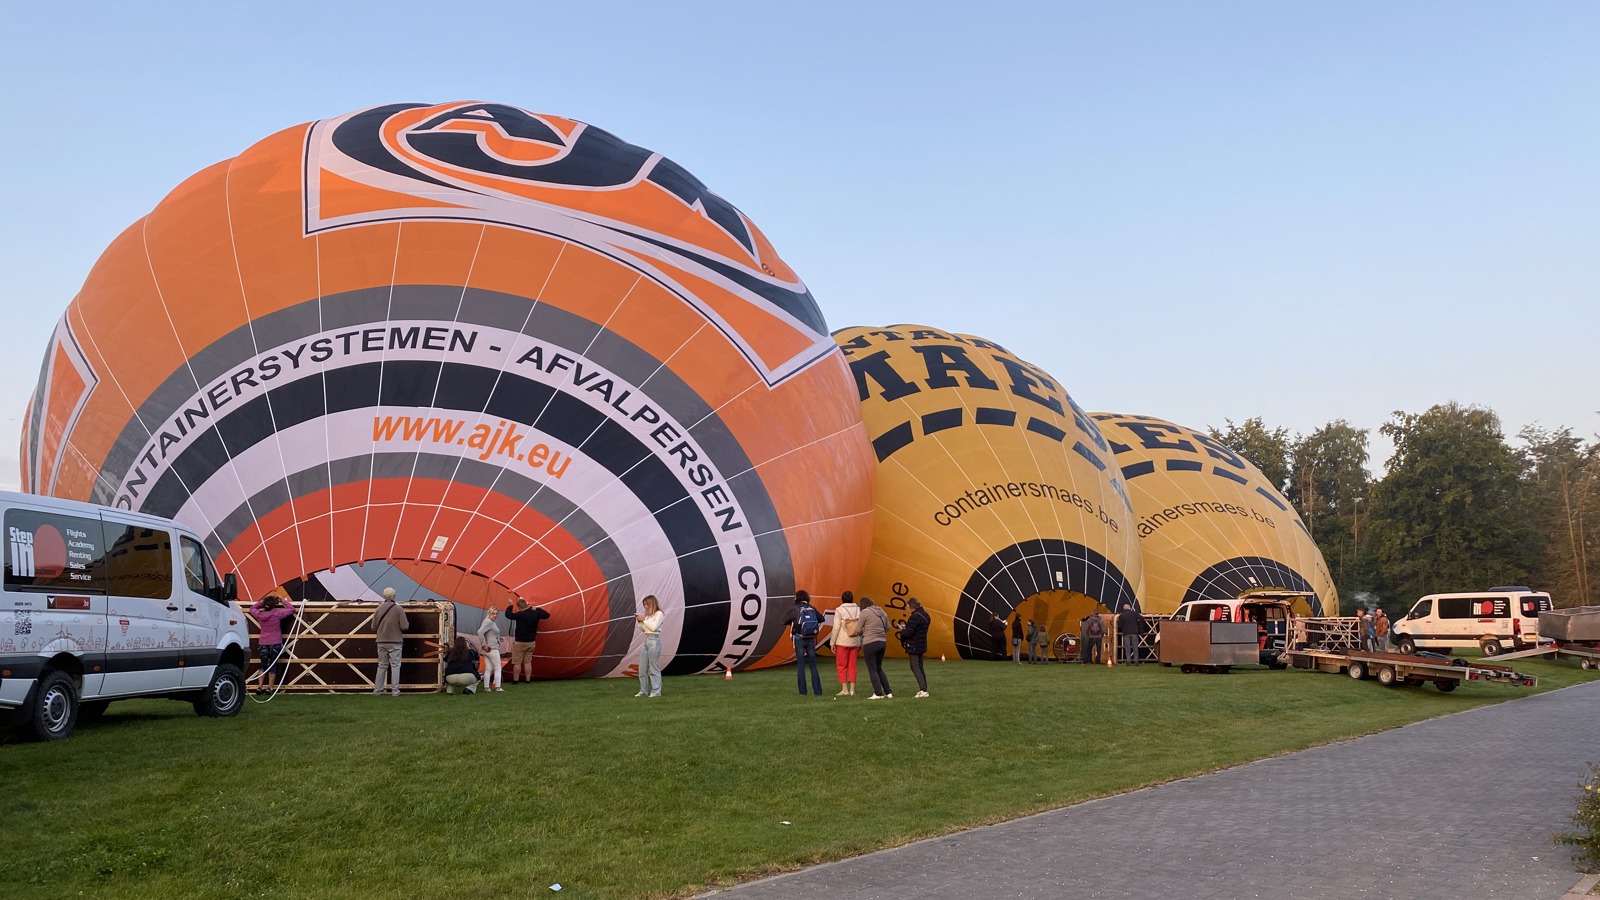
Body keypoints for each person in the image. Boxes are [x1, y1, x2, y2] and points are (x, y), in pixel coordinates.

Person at [249, 591, 295, 694]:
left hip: (263, 642)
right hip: (275, 642)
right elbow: (291, 609)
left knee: (263, 664)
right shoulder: (277, 614)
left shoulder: (259, 614)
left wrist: (263, 602)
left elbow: (252, 608)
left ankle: (259, 687)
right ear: (273, 605)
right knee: (273, 665)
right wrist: (282, 599)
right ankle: (270, 688)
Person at [783, 590, 825, 696]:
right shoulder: (811, 608)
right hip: (811, 639)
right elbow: (822, 619)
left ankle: (803, 692)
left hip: (799, 638)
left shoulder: (794, 609)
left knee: (801, 665)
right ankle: (818, 691)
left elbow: (784, 620)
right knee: (813, 665)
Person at [503, 596, 551, 684]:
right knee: (528, 662)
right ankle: (528, 680)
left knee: (517, 662)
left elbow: (508, 615)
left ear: (519, 607)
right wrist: (537, 608)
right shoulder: (535, 613)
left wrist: (510, 605)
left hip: (519, 642)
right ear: (527, 605)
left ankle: (515, 680)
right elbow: (547, 615)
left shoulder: (520, 614)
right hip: (531, 642)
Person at [373, 587, 409, 696]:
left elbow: (373, 627)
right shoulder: (399, 609)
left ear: (384, 596)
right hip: (395, 641)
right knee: (395, 666)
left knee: (381, 666)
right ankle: (395, 691)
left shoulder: (379, 608)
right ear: (394, 596)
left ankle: (377, 690)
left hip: (381, 641)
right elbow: (404, 627)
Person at [858, 596, 892, 699]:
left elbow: (858, 629)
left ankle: (878, 693)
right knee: (878, 668)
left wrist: (864, 632)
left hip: (870, 643)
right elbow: (888, 627)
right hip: (882, 642)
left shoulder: (864, 612)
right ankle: (888, 692)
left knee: (872, 669)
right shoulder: (882, 612)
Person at [899, 597, 931, 698]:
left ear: (912, 606)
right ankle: (924, 688)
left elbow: (909, 632)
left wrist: (902, 630)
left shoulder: (915, 617)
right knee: (920, 667)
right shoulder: (925, 615)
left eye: (908, 607)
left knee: (914, 666)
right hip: (921, 643)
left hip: (914, 645)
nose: (908, 609)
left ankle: (923, 690)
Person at [831, 590, 862, 697]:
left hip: (842, 641)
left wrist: (832, 642)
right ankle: (852, 689)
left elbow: (836, 628)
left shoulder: (839, 610)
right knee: (852, 665)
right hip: (855, 641)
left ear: (842, 599)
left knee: (841, 665)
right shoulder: (858, 609)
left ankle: (845, 689)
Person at [634, 595, 664, 697]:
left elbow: (653, 627)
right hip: (646, 640)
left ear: (652, 603)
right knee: (642, 668)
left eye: (647, 604)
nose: (645, 606)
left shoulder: (659, 614)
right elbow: (643, 629)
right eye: (644, 605)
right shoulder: (648, 615)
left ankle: (656, 691)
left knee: (653, 668)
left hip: (654, 640)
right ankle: (643, 690)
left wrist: (644, 620)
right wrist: (640, 622)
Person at [476, 606, 505, 692]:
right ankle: (498, 687)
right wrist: (484, 645)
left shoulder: (490, 622)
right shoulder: (488, 622)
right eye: (493, 613)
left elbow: (488, 634)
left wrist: (498, 638)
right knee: (498, 668)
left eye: (496, 613)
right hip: (492, 649)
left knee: (488, 669)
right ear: (489, 613)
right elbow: (480, 632)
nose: (495, 615)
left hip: (488, 649)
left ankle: (486, 687)